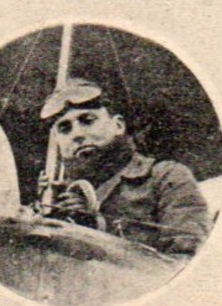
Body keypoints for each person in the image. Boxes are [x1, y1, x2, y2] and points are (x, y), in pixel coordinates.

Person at [37, 78, 211, 256]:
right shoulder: (56, 197)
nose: (77, 134)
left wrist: (94, 230)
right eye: (65, 129)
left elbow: (185, 261)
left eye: (88, 120)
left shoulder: (166, 178)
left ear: (118, 125)